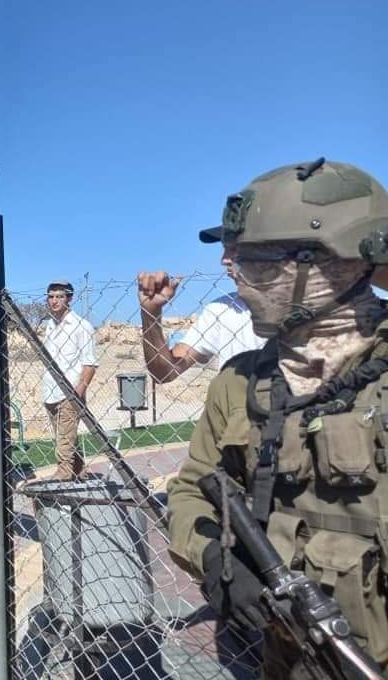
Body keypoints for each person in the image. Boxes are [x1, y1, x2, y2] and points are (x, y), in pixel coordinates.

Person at [167, 158, 388, 676]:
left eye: (257, 262)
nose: (235, 276)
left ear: (332, 264)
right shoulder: (241, 382)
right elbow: (191, 492)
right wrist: (214, 558)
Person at [138, 230, 263, 383]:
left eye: (235, 248)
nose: (224, 260)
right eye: (225, 248)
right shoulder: (222, 309)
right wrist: (151, 313)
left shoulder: (298, 312)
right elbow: (164, 373)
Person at [39, 280, 98, 480]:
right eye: (51, 296)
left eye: (60, 296)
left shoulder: (82, 326)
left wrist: (78, 391)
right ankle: (80, 472)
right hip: (50, 391)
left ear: (69, 298)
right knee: (65, 437)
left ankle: (63, 474)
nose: (54, 301)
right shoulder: (49, 326)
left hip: (70, 391)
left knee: (64, 442)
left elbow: (90, 363)